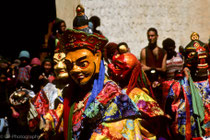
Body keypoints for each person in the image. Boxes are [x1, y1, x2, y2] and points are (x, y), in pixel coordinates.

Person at [140, 28, 167, 106]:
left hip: (161, 83)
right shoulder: (144, 51)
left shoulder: (163, 52)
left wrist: (150, 68)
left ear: (157, 36)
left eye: (152, 36)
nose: (150, 38)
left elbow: (164, 69)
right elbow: (143, 69)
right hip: (149, 83)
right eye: (149, 36)